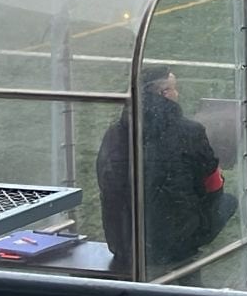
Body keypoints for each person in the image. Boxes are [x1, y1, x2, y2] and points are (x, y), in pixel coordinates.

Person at [97, 66, 236, 273]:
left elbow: (104, 180)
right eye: (173, 89)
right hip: (174, 247)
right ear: (163, 94)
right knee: (229, 201)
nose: (177, 93)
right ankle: (188, 268)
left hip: (123, 243)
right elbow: (213, 186)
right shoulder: (190, 131)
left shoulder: (115, 132)